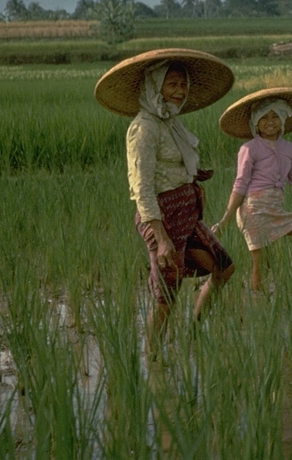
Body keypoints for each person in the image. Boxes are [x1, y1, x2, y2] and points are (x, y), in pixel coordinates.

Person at [95, 48, 236, 342]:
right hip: (163, 219)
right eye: (172, 84)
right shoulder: (144, 129)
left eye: (183, 84)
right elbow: (141, 187)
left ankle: (195, 332)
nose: (179, 91)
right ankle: (154, 357)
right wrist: (161, 239)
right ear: (155, 86)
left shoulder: (169, 122)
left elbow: (178, 166)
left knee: (224, 267)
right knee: (166, 297)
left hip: (187, 216)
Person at [212, 87, 292, 291]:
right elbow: (240, 185)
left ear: (283, 119)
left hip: (276, 209)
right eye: (264, 117)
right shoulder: (249, 149)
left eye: (275, 116)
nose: (270, 122)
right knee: (262, 264)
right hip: (254, 210)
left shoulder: (289, 149)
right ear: (255, 122)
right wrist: (226, 219)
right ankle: (259, 306)